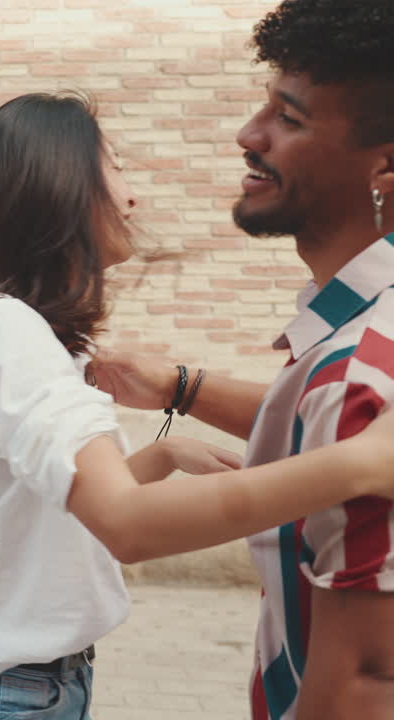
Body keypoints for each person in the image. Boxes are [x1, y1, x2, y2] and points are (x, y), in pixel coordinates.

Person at [0, 91, 394, 720]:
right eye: (115, 168)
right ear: (60, 183)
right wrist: (361, 463)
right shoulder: (6, 333)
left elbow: (51, 506)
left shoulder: (22, 332)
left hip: (11, 689)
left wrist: (163, 455)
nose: (131, 198)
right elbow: (126, 526)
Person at [89, 2, 394, 718]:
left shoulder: (363, 371)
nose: (248, 135)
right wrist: (181, 388)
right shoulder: (352, 351)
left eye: (288, 118)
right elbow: (317, 424)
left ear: (384, 166)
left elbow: (366, 682)